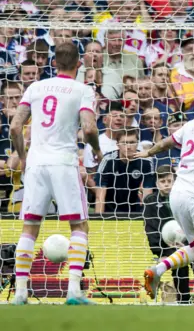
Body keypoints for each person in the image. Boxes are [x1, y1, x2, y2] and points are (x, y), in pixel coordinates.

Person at [10, 42, 101, 305]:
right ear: (79, 64)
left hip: (37, 164)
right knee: (79, 225)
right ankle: (73, 291)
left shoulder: (35, 87)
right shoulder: (82, 89)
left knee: (30, 228)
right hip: (63, 163)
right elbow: (90, 128)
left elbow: (16, 127)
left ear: (53, 63)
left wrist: (24, 157)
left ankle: (20, 293)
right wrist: (95, 150)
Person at [136, 89, 194, 305]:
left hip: (177, 194)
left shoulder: (191, 125)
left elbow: (166, 143)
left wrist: (148, 153)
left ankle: (158, 269)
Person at [141, 165, 194, 304]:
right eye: (162, 182)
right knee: (179, 269)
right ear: (157, 184)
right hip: (167, 246)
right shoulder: (151, 202)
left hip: (190, 241)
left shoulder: (184, 198)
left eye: (169, 181)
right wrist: (160, 252)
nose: (166, 185)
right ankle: (184, 301)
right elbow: (151, 229)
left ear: (175, 181)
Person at [94, 128, 155, 214]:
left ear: (138, 143)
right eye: (124, 143)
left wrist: (147, 219)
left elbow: (147, 194)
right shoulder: (107, 161)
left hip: (135, 211)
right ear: (117, 144)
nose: (128, 147)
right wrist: (99, 220)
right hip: (110, 211)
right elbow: (100, 196)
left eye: (132, 142)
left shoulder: (146, 161)